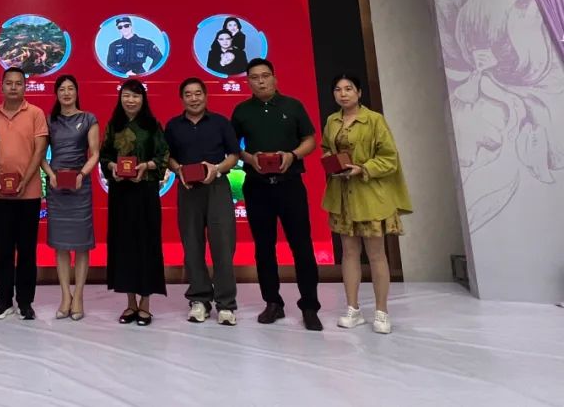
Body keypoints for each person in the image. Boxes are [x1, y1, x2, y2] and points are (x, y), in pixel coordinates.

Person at [231, 58, 323, 331]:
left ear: (274, 77)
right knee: (264, 248)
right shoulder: (242, 111)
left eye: (265, 76)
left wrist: (292, 155)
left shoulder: (293, 106)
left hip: (290, 184)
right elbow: (232, 147)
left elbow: (310, 140)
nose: (261, 81)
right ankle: (273, 302)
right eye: (254, 77)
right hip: (257, 186)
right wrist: (249, 158)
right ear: (248, 82)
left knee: (302, 246)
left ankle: (309, 306)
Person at [323, 73, 412, 334]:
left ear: (359, 93)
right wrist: (331, 161)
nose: (343, 94)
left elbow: (389, 158)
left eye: (348, 88)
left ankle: (382, 311)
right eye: (338, 89)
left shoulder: (374, 120)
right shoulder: (332, 120)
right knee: (349, 253)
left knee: (376, 254)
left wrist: (362, 168)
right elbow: (325, 147)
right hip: (342, 196)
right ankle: (353, 309)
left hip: (371, 196)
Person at [165, 78, 240, 326]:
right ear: (182, 98)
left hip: (216, 187)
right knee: (192, 244)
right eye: (188, 94)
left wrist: (216, 169)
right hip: (188, 190)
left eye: (198, 93)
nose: (194, 98)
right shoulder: (173, 126)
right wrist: (179, 170)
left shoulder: (220, 122)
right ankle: (199, 299)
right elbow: (168, 157)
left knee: (223, 245)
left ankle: (226, 304)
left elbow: (234, 155)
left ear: (205, 96)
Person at [99, 78, 169, 326]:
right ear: (120, 98)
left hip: (145, 192)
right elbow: (104, 155)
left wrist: (146, 166)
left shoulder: (152, 125)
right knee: (124, 245)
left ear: (143, 99)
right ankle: (130, 303)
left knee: (147, 244)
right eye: (126, 95)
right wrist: (111, 167)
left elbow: (163, 155)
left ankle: (145, 304)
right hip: (121, 193)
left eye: (136, 96)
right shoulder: (113, 125)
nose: (130, 100)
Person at [0, 67, 49, 320]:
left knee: (26, 250)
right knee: (2, 250)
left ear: (25, 87)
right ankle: (3, 300)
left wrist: (25, 180)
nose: (13, 87)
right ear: (2, 86)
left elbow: (40, 150)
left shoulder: (35, 113)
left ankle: (25, 302)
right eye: (9, 83)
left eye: (18, 83)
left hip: (29, 194)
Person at [40, 74, 100, 320]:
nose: (66, 93)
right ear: (56, 94)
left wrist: (82, 175)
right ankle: (65, 296)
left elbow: (95, 154)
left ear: (76, 92)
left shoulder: (88, 119)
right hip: (57, 187)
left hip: (79, 186)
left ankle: (79, 296)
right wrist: (51, 175)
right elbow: (40, 156)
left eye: (70, 89)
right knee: (60, 244)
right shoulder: (49, 121)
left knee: (82, 245)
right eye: (62, 89)